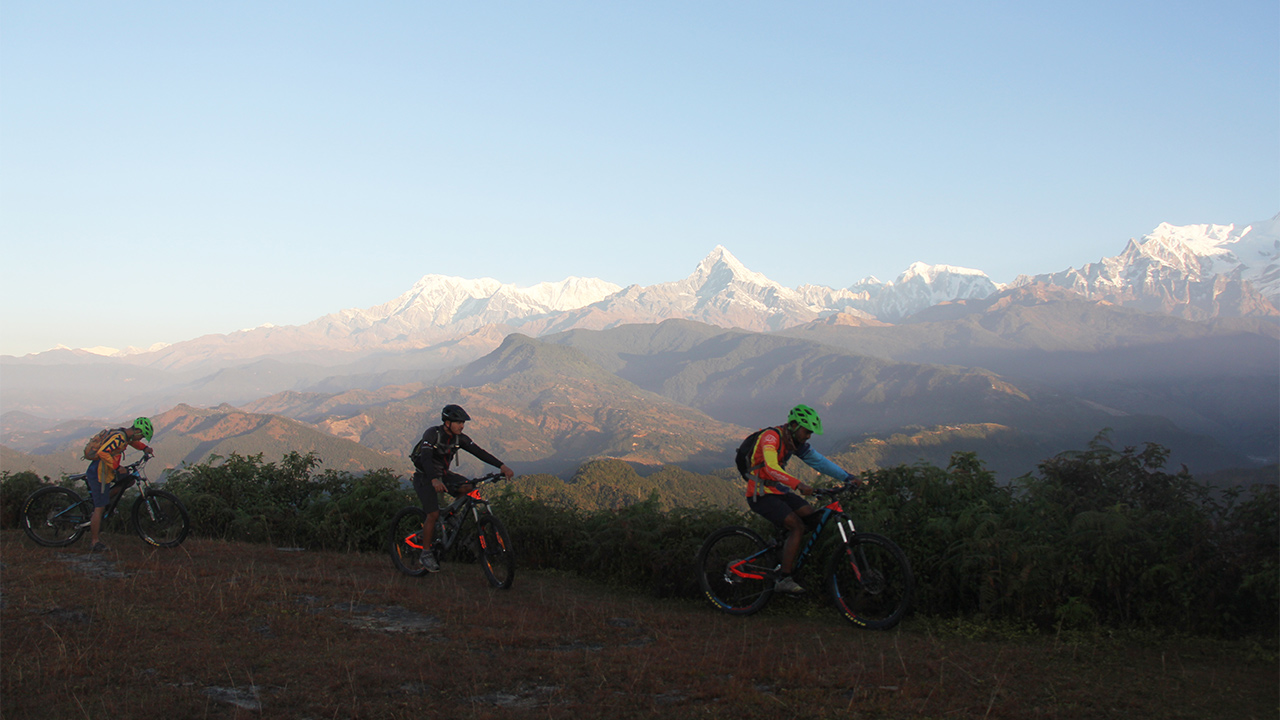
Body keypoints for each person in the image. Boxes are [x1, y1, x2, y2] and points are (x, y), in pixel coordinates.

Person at [740, 404, 856, 594]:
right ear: (794, 425)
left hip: (778, 490)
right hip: (759, 494)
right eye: (807, 431)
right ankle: (784, 578)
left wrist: (847, 477)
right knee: (797, 526)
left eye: (811, 432)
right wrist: (798, 484)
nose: (809, 435)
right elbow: (771, 467)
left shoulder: (795, 443)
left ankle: (780, 549)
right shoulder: (770, 437)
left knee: (812, 518)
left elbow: (819, 461)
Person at [409, 404, 514, 572]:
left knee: (469, 488)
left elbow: (479, 452)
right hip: (425, 476)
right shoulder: (432, 434)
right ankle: (426, 554)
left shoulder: (460, 438)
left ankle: (450, 517)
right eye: (458, 422)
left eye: (463, 423)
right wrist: (434, 480)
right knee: (433, 514)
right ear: (448, 422)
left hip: (443, 474)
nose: (462, 426)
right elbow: (427, 459)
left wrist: (502, 466)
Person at [85, 417, 155, 552]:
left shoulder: (125, 436)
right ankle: (94, 542)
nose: (141, 439)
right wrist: (117, 468)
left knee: (129, 480)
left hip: (107, 470)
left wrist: (145, 448)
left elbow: (134, 443)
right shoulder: (119, 437)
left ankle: (106, 500)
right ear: (137, 431)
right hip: (99, 472)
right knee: (99, 508)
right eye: (142, 435)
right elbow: (102, 452)